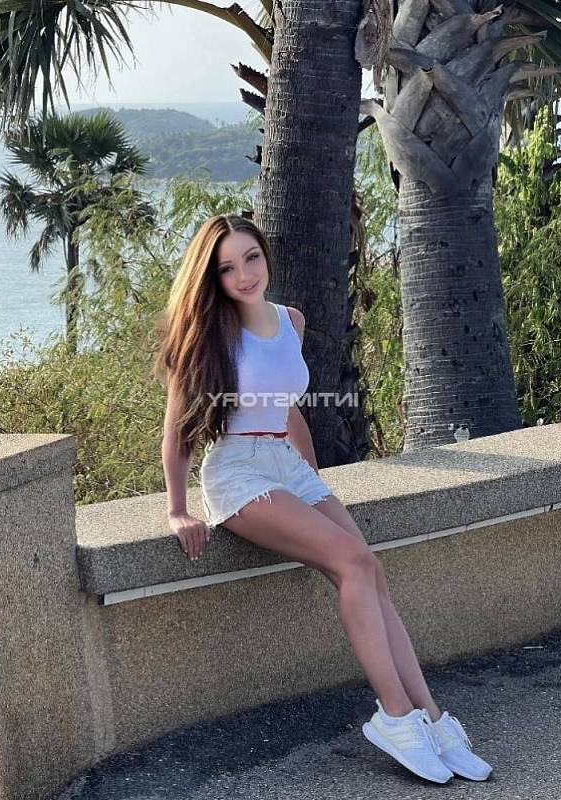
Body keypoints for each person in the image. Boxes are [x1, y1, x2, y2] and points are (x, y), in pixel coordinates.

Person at [153, 213, 493, 785]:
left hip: (286, 465)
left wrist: (310, 482)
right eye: (228, 268)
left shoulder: (291, 321)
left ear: (265, 255)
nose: (244, 275)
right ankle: (395, 717)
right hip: (237, 472)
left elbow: (287, 408)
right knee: (354, 560)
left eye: (251, 258)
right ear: (213, 278)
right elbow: (177, 431)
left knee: (371, 573)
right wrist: (177, 509)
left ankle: (433, 719)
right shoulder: (207, 335)